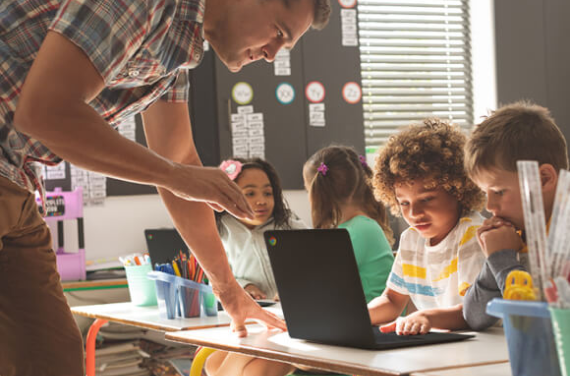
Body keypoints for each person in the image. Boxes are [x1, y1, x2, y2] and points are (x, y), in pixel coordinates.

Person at [0, 0, 331, 374]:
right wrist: (174, 174)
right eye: (279, 32)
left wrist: (229, 292)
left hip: (16, 180)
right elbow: (44, 110)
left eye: (284, 46)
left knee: (52, 358)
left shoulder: (174, 59)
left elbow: (181, 162)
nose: (272, 54)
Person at [205, 145, 395, 376]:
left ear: (316, 192)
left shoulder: (356, 231)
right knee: (215, 361)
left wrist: (291, 293)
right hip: (336, 328)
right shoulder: (352, 229)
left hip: (356, 333)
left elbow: (316, 286)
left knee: (254, 364)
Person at [369, 118, 486, 336]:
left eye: (427, 199)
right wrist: (359, 316)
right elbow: (392, 300)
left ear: (458, 190)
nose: (414, 213)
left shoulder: (473, 235)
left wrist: (426, 317)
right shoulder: (411, 239)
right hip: (436, 349)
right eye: (404, 203)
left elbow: (476, 312)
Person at [462, 101, 568, 330]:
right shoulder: (517, 231)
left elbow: (536, 322)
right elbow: (475, 317)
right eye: (484, 193)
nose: (489, 205)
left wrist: (503, 259)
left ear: (543, 179)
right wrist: (496, 260)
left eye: (499, 192)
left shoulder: (564, 234)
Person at [216, 158, 307, 300]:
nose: (262, 201)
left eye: (268, 193)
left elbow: (315, 262)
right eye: (250, 194)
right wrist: (245, 286)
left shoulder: (289, 225)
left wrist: (295, 287)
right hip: (251, 313)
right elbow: (215, 281)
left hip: (294, 307)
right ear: (227, 196)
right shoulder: (220, 233)